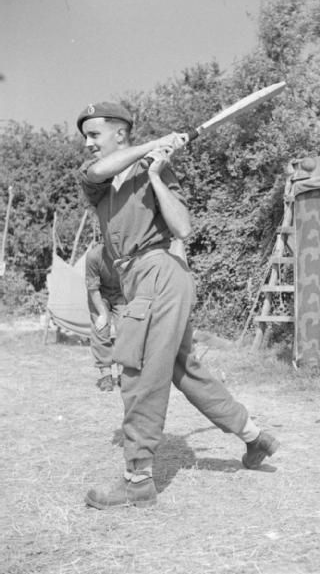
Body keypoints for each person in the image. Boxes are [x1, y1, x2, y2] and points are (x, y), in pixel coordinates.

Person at [76, 101, 279, 509]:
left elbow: (183, 227)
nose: (88, 143)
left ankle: (137, 480)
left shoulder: (155, 169)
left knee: (138, 370)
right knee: (185, 370)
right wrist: (154, 144)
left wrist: (154, 174)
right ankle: (255, 437)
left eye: (95, 134)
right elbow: (97, 170)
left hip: (160, 270)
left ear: (120, 133)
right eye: (85, 136)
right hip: (137, 279)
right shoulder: (98, 182)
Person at [85, 242, 126, 391]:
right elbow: (93, 288)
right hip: (99, 295)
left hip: (121, 293)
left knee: (126, 328)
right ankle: (105, 374)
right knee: (101, 328)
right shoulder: (93, 256)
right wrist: (102, 314)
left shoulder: (128, 253)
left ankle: (124, 373)